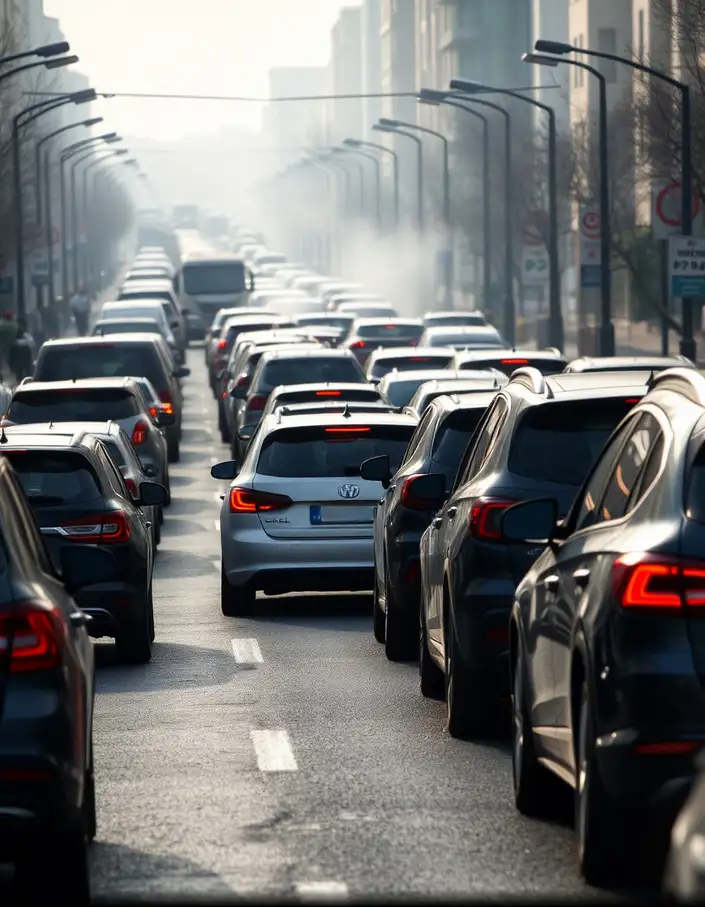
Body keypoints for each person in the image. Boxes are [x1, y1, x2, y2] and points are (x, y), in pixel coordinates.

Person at [8, 318, 34, 384]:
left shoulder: (26, 336)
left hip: (25, 359)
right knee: (19, 377)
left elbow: (31, 343)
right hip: (18, 360)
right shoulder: (15, 335)